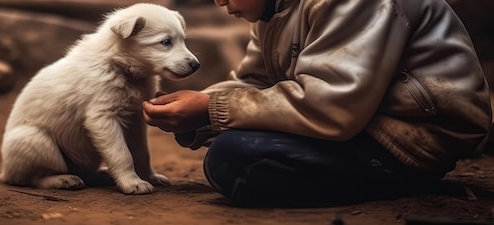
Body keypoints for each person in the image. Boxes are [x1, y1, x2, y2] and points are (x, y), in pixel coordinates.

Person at [142, 0, 492, 205]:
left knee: (238, 158)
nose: (219, 1)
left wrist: (210, 109)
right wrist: (201, 105)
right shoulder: (274, 10)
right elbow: (256, 83)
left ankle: (404, 181)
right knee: (236, 151)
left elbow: (334, 106)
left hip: (411, 136)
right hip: (358, 122)